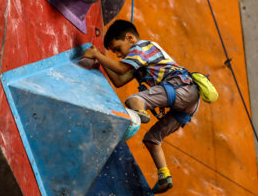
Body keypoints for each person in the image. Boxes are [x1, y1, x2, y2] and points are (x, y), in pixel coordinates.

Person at [83, 20, 200, 194]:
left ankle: (140, 111)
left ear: (129, 38)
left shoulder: (141, 47)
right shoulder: (139, 63)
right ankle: (164, 176)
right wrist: (101, 61)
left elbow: (121, 69)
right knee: (152, 139)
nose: (119, 55)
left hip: (180, 87)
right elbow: (119, 80)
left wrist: (96, 54)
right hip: (187, 103)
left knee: (133, 100)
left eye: (118, 48)